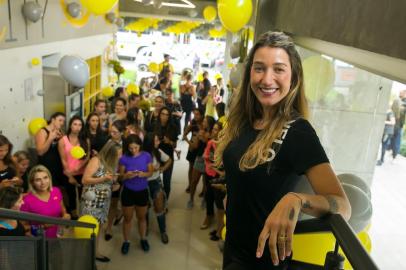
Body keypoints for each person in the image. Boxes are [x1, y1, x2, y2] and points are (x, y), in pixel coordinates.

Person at [215, 31, 351, 269]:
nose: (267, 80)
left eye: (278, 69)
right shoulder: (245, 120)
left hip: (265, 261)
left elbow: (343, 206)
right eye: (259, 68)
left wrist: (297, 200)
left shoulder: (299, 132)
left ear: (293, 76)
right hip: (234, 248)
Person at [80, 140, 122, 262]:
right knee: (89, 229)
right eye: (118, 154)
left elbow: (110, 182)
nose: (120, 156)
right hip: (91, 201)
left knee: (97, 228)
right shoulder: (96, 161)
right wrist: (103, 178)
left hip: (104, 202)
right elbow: (85, 180)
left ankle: (95, 252)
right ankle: (86, 257)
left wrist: (114, 185)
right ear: (110, 153)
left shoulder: (112, 163)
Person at [119, 134, 153, 254]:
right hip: (128, 191)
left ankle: (143, 239)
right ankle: (126, 241)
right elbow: (120, 177)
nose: (133, 150)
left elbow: (150, 172)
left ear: (140, 146)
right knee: (128, 218)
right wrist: (126, 176)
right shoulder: (123, 158)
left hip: (142, 191)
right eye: (131, 148)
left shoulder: (146, 156)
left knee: (142, 217)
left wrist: (143, 174)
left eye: (136, 147)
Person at [21, 165, 70, 238]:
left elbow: (63, 211)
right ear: (32, 183)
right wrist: (43, 226)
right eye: (38, 180)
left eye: (45, 178)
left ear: (50, 178)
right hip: (39, 241)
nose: (43, 182)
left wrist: (66, 215)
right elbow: (23, 227)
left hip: (59, 238)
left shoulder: (56, 191)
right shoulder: (27, 200)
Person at [58, 116, 90, 217]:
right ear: (70, 125)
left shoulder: (85, 140)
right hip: (68, 173)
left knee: (83, 196)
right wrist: (70, 176)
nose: (77, 127)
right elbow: (63, 159)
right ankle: (74, 215)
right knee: (71, 196)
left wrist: (79, 167)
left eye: (80, 125)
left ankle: (83, 215)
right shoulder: (63, 140)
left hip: (82, 173)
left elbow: (87, 156)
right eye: (75, 124)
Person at [143, 133, 172, 244]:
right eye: (156, 141)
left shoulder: (158, 152)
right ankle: (145, 227)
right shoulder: (140, 153)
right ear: (149, 142)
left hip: (155, 182)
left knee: (159, 207)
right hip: (142, 183)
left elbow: (169, 160)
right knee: (144, 207)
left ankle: (163, 231)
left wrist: (161, 169)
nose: (158, 142)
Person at [35, 112, 66, 187]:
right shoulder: (42, 132)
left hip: (58, 165)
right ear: (53, 120)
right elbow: (40, 152)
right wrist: (50, 139)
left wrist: (62, 139)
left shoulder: (60, 131)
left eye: (63, 121)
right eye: (60, 120)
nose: (62, 123)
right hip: (47, 166)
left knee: (59, 188)